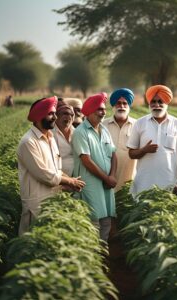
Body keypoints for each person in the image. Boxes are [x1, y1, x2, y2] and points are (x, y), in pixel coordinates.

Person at [17, 96, 86, 235]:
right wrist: (70, 180)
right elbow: (45, 174)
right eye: (50, 114)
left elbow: (57, 169)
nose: (55, 117)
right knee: (33, 241)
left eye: (55, 113)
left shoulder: (50, 137)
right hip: (36, 201)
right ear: (38, 117)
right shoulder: (28, 142)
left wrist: (68, 184)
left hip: (52, 197)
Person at [127, 85, 177, 200]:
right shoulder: (140, 123)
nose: (157, 105)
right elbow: (131, 154)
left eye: (160, 101)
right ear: (149, 104)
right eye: (153, 102)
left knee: (170, 214)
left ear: (167, 103)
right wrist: (144, 150)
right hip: (144, 184)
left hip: (170, 183)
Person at [72, 93, 117, 242]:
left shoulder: (104, 130)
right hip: (90, 182)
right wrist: (107, 178)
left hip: (106, 183)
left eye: (104, 109)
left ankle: (103, 253)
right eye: (99, 109)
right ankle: (92, 256)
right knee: (94, 220)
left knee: (106, 220)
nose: (103, 112)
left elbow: (113, 154)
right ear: (89, 111)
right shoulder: (80, 132)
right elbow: (86, 160)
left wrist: (113, 176)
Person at [103, 88, 137, 192]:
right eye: (118, 103)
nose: (121, 106)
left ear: (129, 106)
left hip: (130, 177)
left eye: (125, 103)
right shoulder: (103, 125)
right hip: (106, 177)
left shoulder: (138, 125)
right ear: (113, 106)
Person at [53, 100, 75, 176]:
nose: (69, 117)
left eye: (71, 114)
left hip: (78, 177)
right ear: (56, 116)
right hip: (59, 178)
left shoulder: (76, 132)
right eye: (65, 113)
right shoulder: (50, 134)